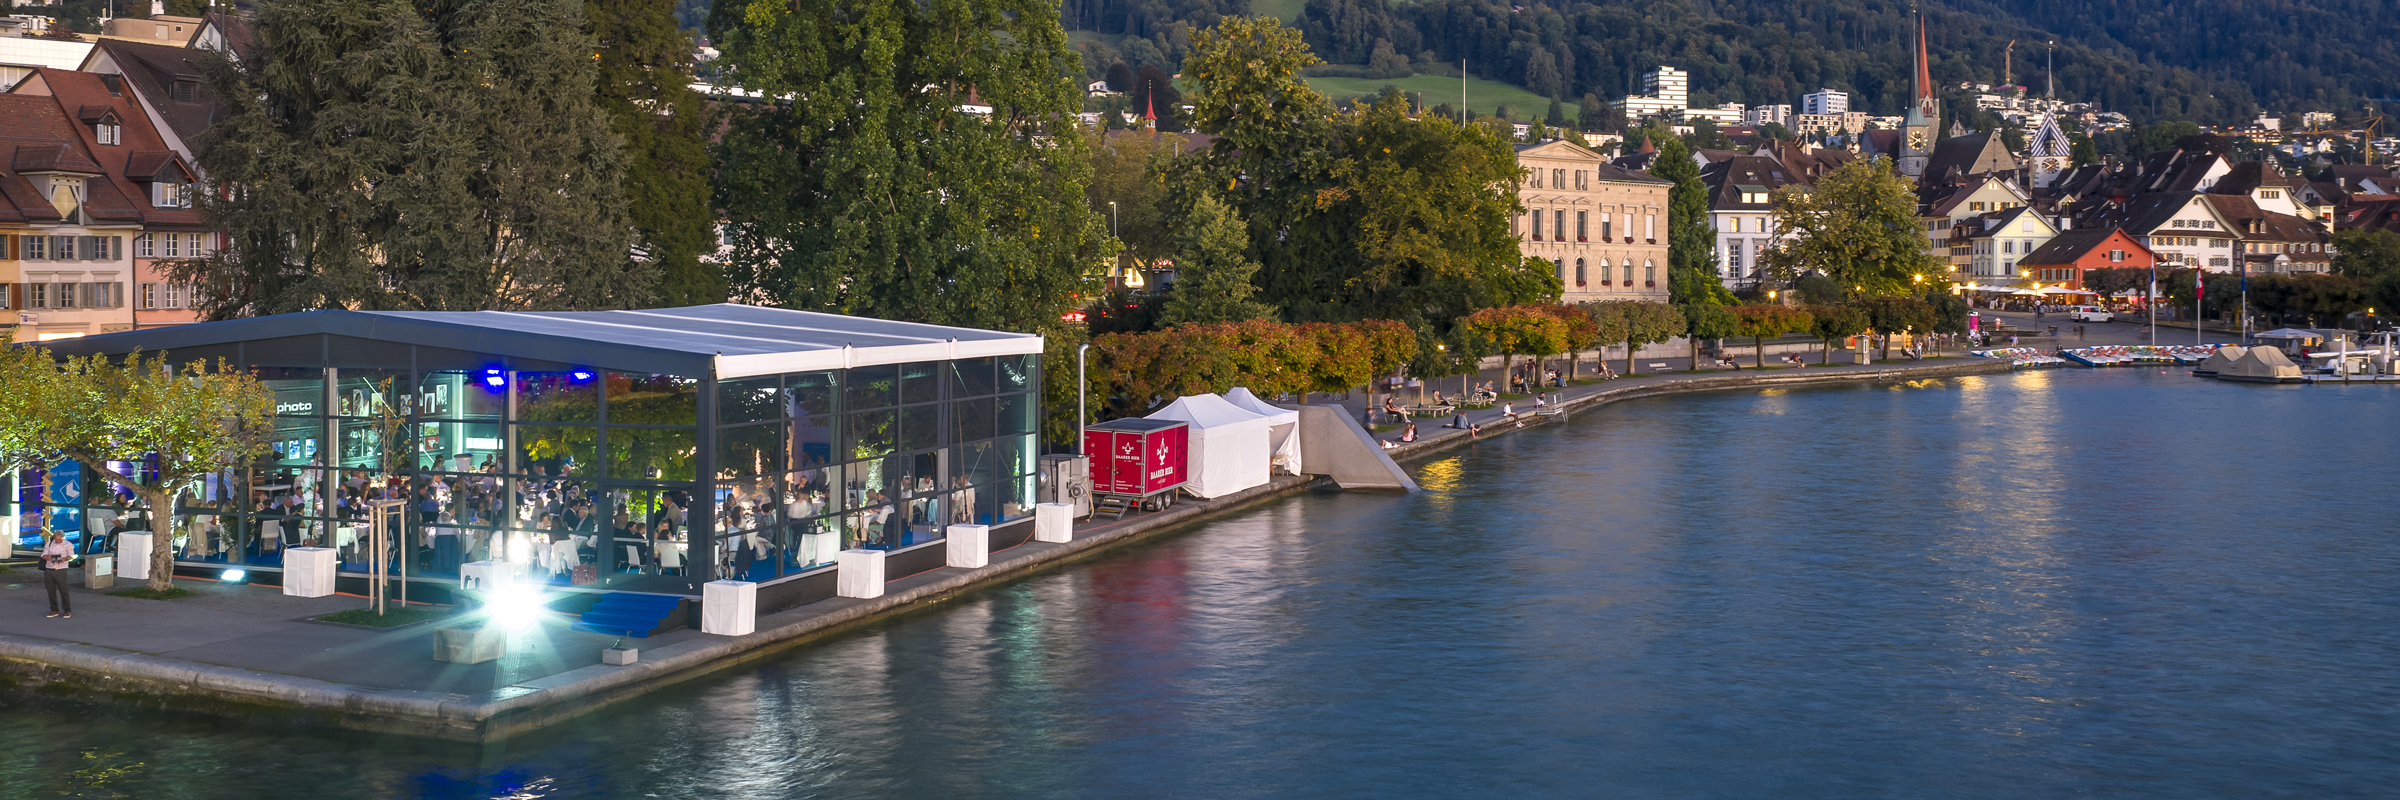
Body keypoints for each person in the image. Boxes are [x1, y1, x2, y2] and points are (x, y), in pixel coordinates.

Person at [40, 530, 73, 619]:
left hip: (61, 569)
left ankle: (67, 610)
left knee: (63, 590)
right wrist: (48, 557)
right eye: (56, 538)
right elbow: (43, 554)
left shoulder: (68, 544)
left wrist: (64, 559)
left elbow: (71, 556)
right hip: (49, 569)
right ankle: (54, 609)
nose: (57, 540)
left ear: (62, 537)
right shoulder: (49, 543)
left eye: (58, 539)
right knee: (51, 591)